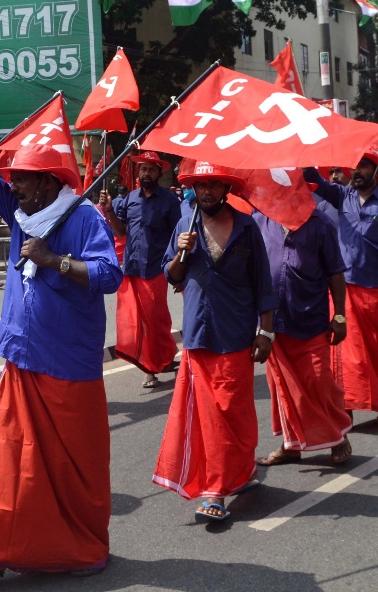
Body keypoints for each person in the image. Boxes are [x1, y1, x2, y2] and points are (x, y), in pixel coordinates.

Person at [0, 79, 123, 576]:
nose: (13, 186)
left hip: (69, 368)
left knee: (74, 472)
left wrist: (54, 260)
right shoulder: (23, 210)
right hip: (23, 360)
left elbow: (109, 274)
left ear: (46, 181)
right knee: (11, 467)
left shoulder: (83, 218)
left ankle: (81, 548)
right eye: (14, 179)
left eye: (21, 178)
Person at [153, 161, 277, 522]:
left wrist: (265, 331)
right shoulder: (184, 224)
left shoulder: (246, 227)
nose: (207, 191)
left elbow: (263, 283)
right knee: (209, 419)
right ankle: (216, 490)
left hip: (236, 336)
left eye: (214, 185)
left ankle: (242, 472)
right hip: (198, 337)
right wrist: (181, 251)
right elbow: (171, 274)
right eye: (201, 185)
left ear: (226, 190)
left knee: (234, 413)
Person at [253, 210, 352, 466]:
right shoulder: (259, 221)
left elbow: (335, 272)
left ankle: (337, 435)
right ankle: (291, 445)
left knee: (319, 380)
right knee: (282, 388)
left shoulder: (320, 223)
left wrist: (339, 316)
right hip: (272, 323)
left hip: (311, 319)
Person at [304, 152, 378, 417]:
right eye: (355, 167)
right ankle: (345, 410)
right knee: (347, 355)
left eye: (365, 167)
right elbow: (312, 178)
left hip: (375, 288)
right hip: (347, 289)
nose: (358, 172)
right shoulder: (342, 195)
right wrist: (303, 149)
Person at [99, 151, 181, 388]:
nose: (146, 173)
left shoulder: (169, 201)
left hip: (157, 267)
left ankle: (161, 358)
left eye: (151, 169)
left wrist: (179, 271)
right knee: (137, 320)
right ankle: (151, 367)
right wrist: (110, 210)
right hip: (132, 267)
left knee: (156, 318)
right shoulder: (129, 199)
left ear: (159, 172)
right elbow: (120, 232)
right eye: (143, 169)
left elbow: (178, 235)